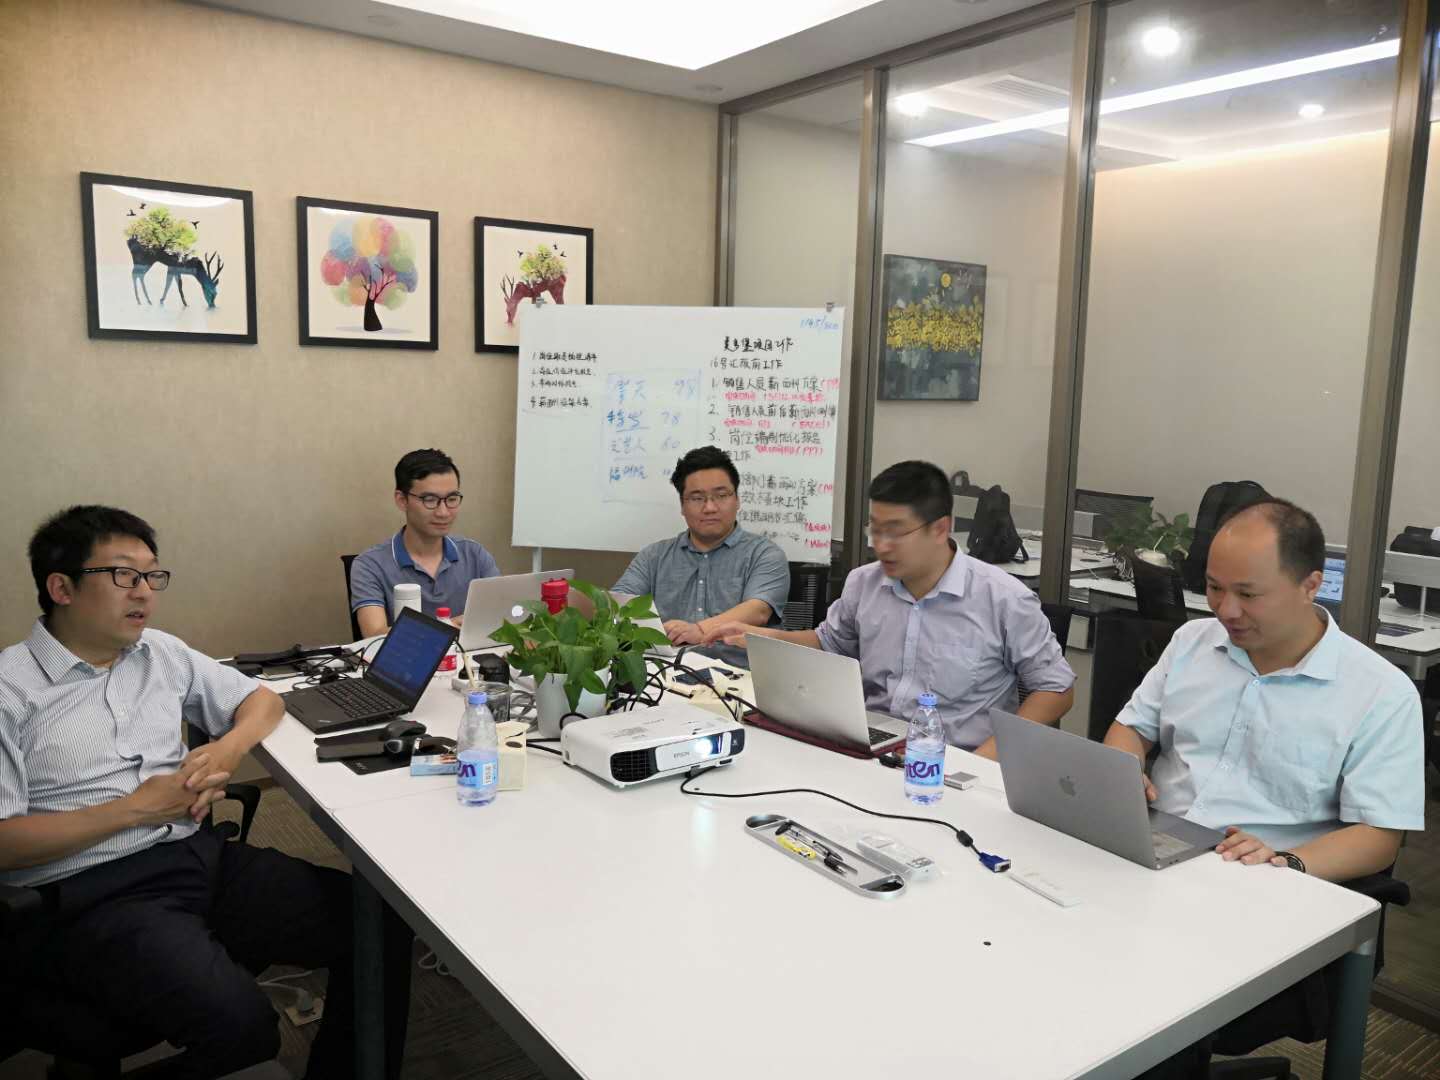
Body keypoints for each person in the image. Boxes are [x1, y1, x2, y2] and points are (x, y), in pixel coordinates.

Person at [0, 506, 411, 1079]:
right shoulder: (10, 690)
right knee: (243, 1030)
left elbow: (263, 700)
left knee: (379, 925)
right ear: (61, 588)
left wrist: (227, 749)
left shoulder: (158, 652)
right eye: (123, 575)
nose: (143, 592)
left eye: (152, 576)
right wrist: (137, 809)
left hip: (195, 856)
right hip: (94, 893)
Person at [1104, 498, 1424, 1077]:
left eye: (1248, 594)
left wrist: (1288, 862)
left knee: (1140, 1004)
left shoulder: (1380, 693)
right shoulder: (1192, 642)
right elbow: (1130, 728)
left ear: (1310, 586)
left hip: (1256, 895)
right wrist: (1124, 770)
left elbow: (1380, 837)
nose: (1226, 610)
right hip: (1153, 860)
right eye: (1213, 588)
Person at [708, 460, 1074, 757]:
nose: (881, 545)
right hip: (868, 747)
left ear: (940, 528)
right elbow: (828, 643)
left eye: (895, 532)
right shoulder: (863, 583)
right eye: (875, 529)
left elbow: (1056, 689)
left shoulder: (1003, 599)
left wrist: (986, 760)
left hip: (954, 756)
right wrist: (761, 637)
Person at [613, 445, 790, 647]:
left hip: (737, 665)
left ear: (737, 500)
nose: (710, 508)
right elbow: (619, 606)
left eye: (721, 495)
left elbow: (758, 611)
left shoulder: (764, 554)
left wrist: (700, 630)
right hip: (666, 664)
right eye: (697, 498)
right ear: (682, 506)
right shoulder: (653, 556)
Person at [350, 447, 500, 638]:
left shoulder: (475, 555)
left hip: (471, 657)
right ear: (402, 500)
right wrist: (447, 626)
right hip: (407, 657)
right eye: (430, 500)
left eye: (451, 499)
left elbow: (500, 617)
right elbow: (374, 635)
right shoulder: (369, 565)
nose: (443, 512)